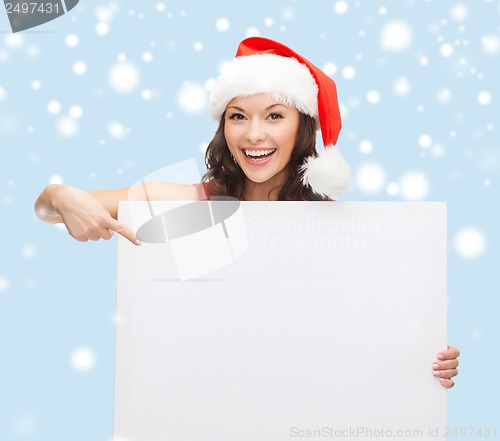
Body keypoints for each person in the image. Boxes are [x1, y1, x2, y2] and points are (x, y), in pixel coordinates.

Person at [34, 37, 460, 387]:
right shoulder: (190, 201)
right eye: (238, 116)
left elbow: (370, 335)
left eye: (274, 115)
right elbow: (49, 208)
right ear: (224, 127)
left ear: (302, 128)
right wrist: (61, 196)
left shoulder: (340, 231)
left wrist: (426, 363)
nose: (253, 134)